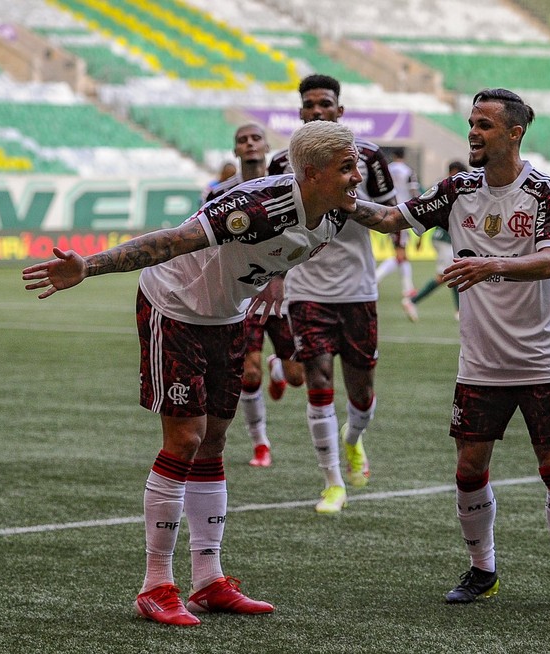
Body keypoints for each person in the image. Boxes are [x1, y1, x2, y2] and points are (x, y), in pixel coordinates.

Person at [21, 120, 408, 627]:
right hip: (174, 306)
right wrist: (88, 266)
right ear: (311, 173)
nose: (358, 175)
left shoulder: (337, 209)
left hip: (228, 315)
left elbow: (384, 218)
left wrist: (454, 198)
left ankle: (208, 580)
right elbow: (172, 242)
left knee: (215, 442)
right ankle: (155, 585)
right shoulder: (258, 205)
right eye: (347, 167)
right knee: (185, 437)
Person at [346, 89, 550, 610]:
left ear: (513, 133)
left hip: (541, 354)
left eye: (484, 124)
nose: (473, 133)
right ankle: (484, 570)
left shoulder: (545, 191)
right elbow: (395, 220)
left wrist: (490, 265)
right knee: (468, 466)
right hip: (481, 360)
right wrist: (338, 200)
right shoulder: (458, 188)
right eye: (471, 123)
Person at [267, 74, 397, 514]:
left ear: (340, 111)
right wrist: (274, 275)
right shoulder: (280, 164)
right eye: (309, 104)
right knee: (318, 380)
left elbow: (391, 214)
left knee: (361, 392)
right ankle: (332, 482)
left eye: (325, 103)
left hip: (357, 289)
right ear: (300, 112)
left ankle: (353, 439)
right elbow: (272, 231)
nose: (317, 110)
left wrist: (348, 202)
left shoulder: (369, 158)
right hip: (305, 290)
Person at [208, 123, 305, 467]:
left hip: (283, 296)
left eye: (255, 139)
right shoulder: (218, 195)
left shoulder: (287, 189)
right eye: (242, 141)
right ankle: (260, 443)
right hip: (243, 296)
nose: (249, 144)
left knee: (298, 377)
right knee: (248, 375)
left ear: (266, 147)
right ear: (235, 150)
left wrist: (279, 273)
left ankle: (278, 367)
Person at [401, 160, 467, 322]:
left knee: (454, 273)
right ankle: (412, 301)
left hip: (445, 238)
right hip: (444, 239)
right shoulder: (449, 190)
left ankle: (459, 310)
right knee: (445, 275)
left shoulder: (450, 189)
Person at [375, 147, 419, 316]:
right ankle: (375, 279)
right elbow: (414, 192)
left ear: (394, 156)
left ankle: (408, 288)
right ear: (404, 155)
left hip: (388, 211)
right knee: (400, 255)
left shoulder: (387, 169)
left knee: (403, 254)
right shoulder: (408, 171)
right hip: (403, 213)